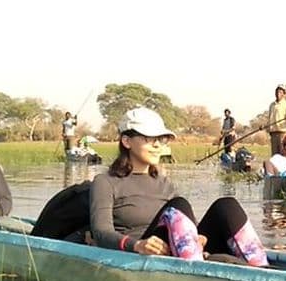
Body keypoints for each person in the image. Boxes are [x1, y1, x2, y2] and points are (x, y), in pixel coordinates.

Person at [89, 107, 269, 266]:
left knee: (226, 205)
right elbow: (101, 232)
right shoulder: (105, 182)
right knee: (178, 205)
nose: (157, 145)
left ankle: (261, 268)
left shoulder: (164, 183)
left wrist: (200, 238)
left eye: (161, 139)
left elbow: (186, 223)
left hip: (182, 248)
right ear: (127, 141)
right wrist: (137, 245)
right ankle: (194, 271)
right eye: (148, 138)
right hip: (143, 250)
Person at [266, 84, 286, 156]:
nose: (278, 94)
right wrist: (266, 126)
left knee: (284, 154)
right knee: (275, 156)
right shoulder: (272, 105)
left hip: (283, 133)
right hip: (273, 134)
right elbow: (270, 118)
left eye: (280, 92)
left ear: (284, 94)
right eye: (277, 92)